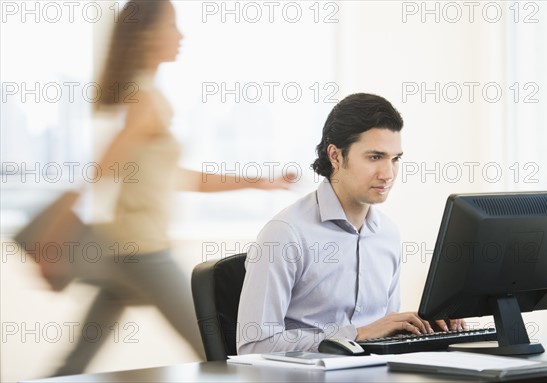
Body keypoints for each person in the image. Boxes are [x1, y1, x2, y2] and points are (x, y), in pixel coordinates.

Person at [51, 0, 291, 376]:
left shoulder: (147, 94)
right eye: (173, 25)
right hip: (142, 250)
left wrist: (257, 182)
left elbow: (178, 178)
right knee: (216, 348)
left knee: (76, 362)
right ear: (147, 35)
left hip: (125, 247)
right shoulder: (144, 98)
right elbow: (102, 168)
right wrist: (57, 234)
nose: (181, 35)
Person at [237, 93, 464, 354]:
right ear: (335, 156)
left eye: (395, 159)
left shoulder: (387, 234)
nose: (388, 173)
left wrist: (420, 327)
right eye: (375, 157)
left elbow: (385, 333)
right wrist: (355, 335)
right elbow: (253, 346)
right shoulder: (285, 233)